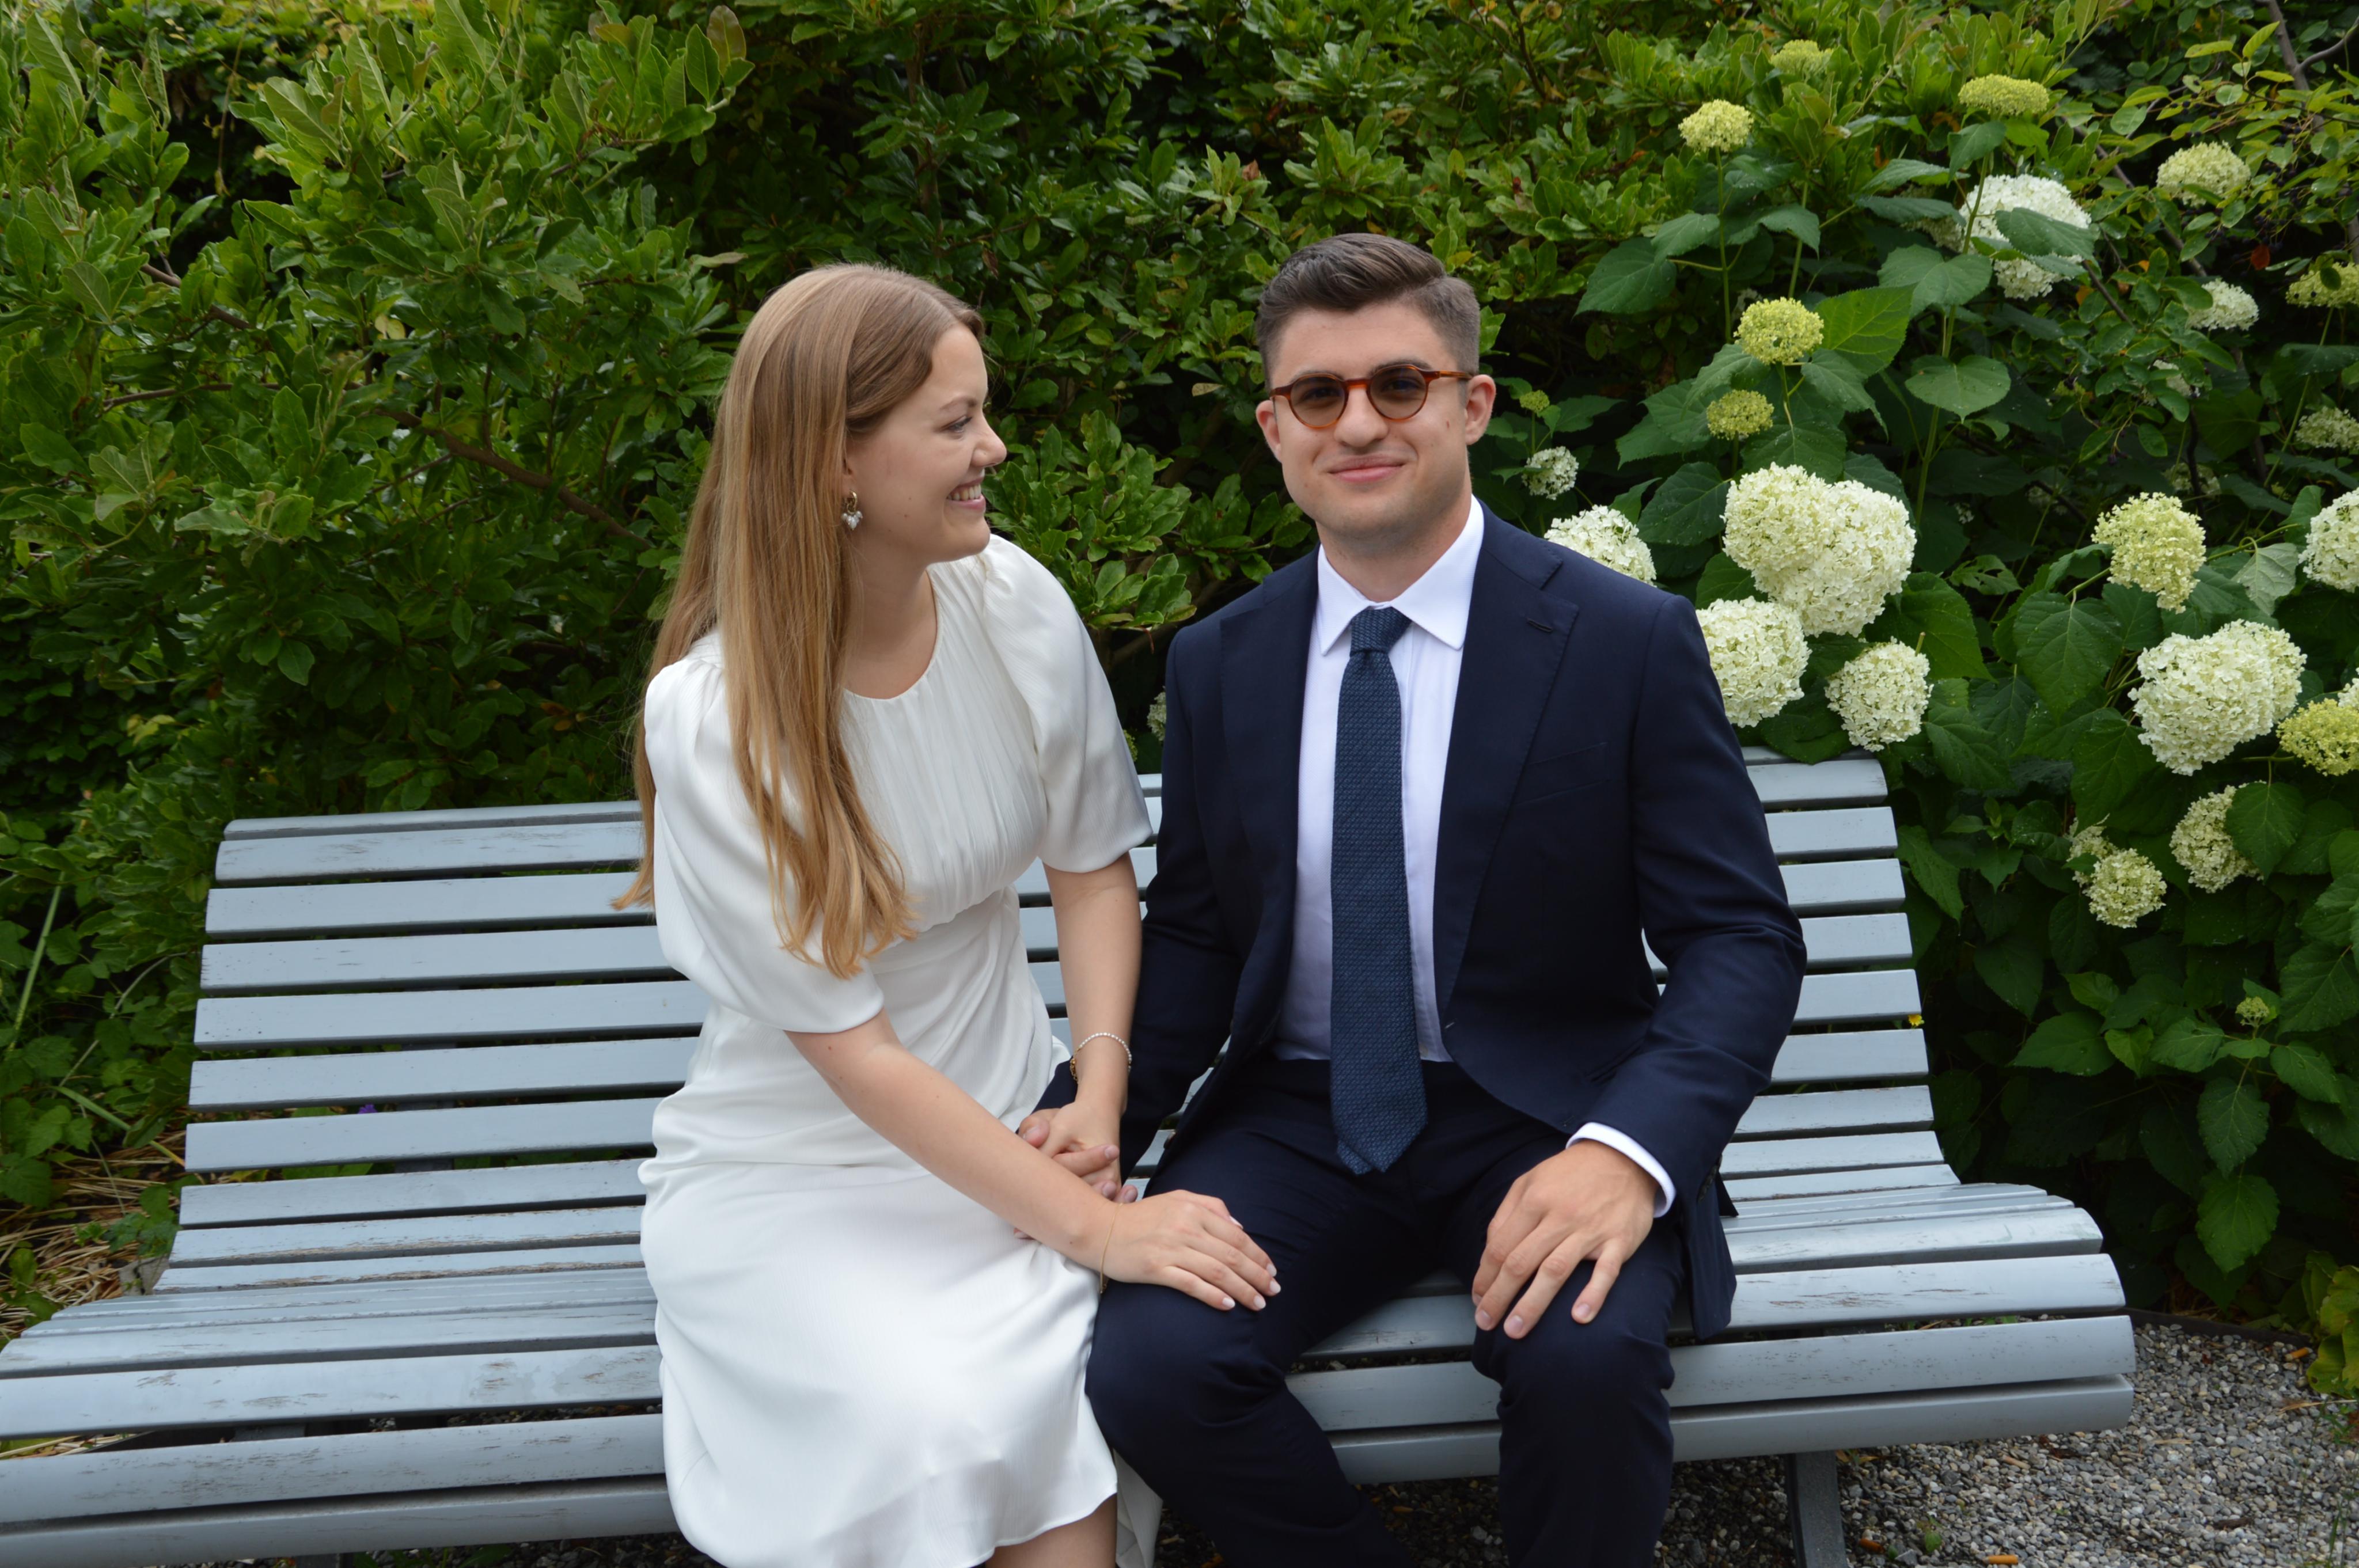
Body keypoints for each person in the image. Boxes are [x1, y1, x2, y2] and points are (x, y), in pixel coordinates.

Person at [1069, 234, 1808, 1566]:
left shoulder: (1621, 639)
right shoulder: (1222, 660)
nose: (1357, 423)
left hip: (1546, 1113)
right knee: (1153, 1367)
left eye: (1398, 385)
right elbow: (1197, 932)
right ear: (1275, 431)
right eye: (1317, 395)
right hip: (1295, 1118)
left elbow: (1737, 937)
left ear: (1470, 405)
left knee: (1583, 1363)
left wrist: (1626, 1155)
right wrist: (1094, 1119)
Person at [617, 263, 1276, 1568]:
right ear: (836, 462)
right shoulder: (717, 720)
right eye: (956, 422)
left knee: (1041, 1425)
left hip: (1019, 1125)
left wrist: (1098, 1096)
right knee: (934, 1417)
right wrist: (1098, 1229)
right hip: (803, 1175)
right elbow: (855, 1054)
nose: (995, 449)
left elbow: (1093, 869)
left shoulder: (1011, 601)